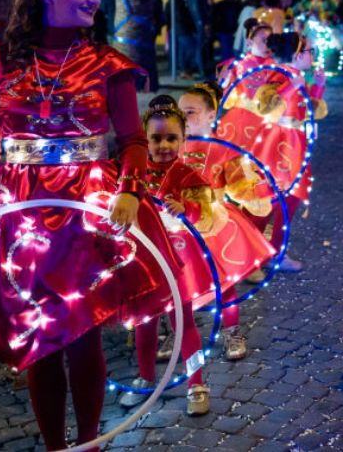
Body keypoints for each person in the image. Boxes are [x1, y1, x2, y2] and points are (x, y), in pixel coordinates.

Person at [0, 0, 171, 450]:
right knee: (40, 341)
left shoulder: (108, 67)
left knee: (82, 334)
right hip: (22, 214)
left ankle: (89, 442)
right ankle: (56, 447)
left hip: (88, 210)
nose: (94, 1)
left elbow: (133, 140)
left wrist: (129, 191)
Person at [119, 96, 215, 415]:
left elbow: (207, 213)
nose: (163, 145)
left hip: (177, 258)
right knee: (145, 322)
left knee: (183, 322)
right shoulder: (133, 174)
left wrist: (186, 208)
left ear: (183, 140)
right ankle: (146, 378)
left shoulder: (187, 175)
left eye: (171, 138)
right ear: (144, 140)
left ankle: (196, 382)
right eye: (156, 138)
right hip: (144, 258)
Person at [177, 85, 277, 362]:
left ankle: (232, 332)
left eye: (191, 112)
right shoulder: (170, 147)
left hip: (215, 225)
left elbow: (240, 186)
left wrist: (262, 189)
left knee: (225, 284)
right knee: (177, 284)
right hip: (177, 225)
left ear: (211, 115)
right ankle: (176, 334)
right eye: (180, 112)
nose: (184, 118)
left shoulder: (223, 150)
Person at [243, 32, 327, 272]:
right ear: (297, 54)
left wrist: (319, 87)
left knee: (288, 202)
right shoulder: (278, 74)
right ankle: (251, 255)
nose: (312, 56)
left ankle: (274, 252)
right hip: (277, 147)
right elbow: (265, 106)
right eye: (310, 51)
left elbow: (310, 109)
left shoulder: (296, 76)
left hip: (295, 145)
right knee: (268, 201)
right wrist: (291, 87)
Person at [167, 0, 200, 79]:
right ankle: (185, 70)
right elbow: (181, 14)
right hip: (182, 28)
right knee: (190, 48)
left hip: (179, 28)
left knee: (183, 50)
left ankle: (184, 71)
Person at [212, 0, 241, 65]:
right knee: (227, 51)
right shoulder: (236, 5)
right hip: (225, 31)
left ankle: (227, 68)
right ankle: (228, 67)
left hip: (228, 31)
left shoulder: (221, 5)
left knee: (227, 51)